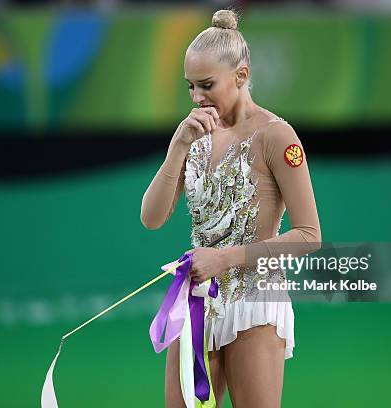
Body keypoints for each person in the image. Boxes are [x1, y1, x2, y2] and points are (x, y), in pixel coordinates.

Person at [140, 9, 321, 408]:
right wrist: (176, 149)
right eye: (190, 87)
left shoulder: (276, 135)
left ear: (240, 76)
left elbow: (309, 235)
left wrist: (224, 258)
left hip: (256, 302)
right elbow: (151, 218)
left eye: (206, 85)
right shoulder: (195, 134)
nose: (196, 98)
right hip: (198, 301)